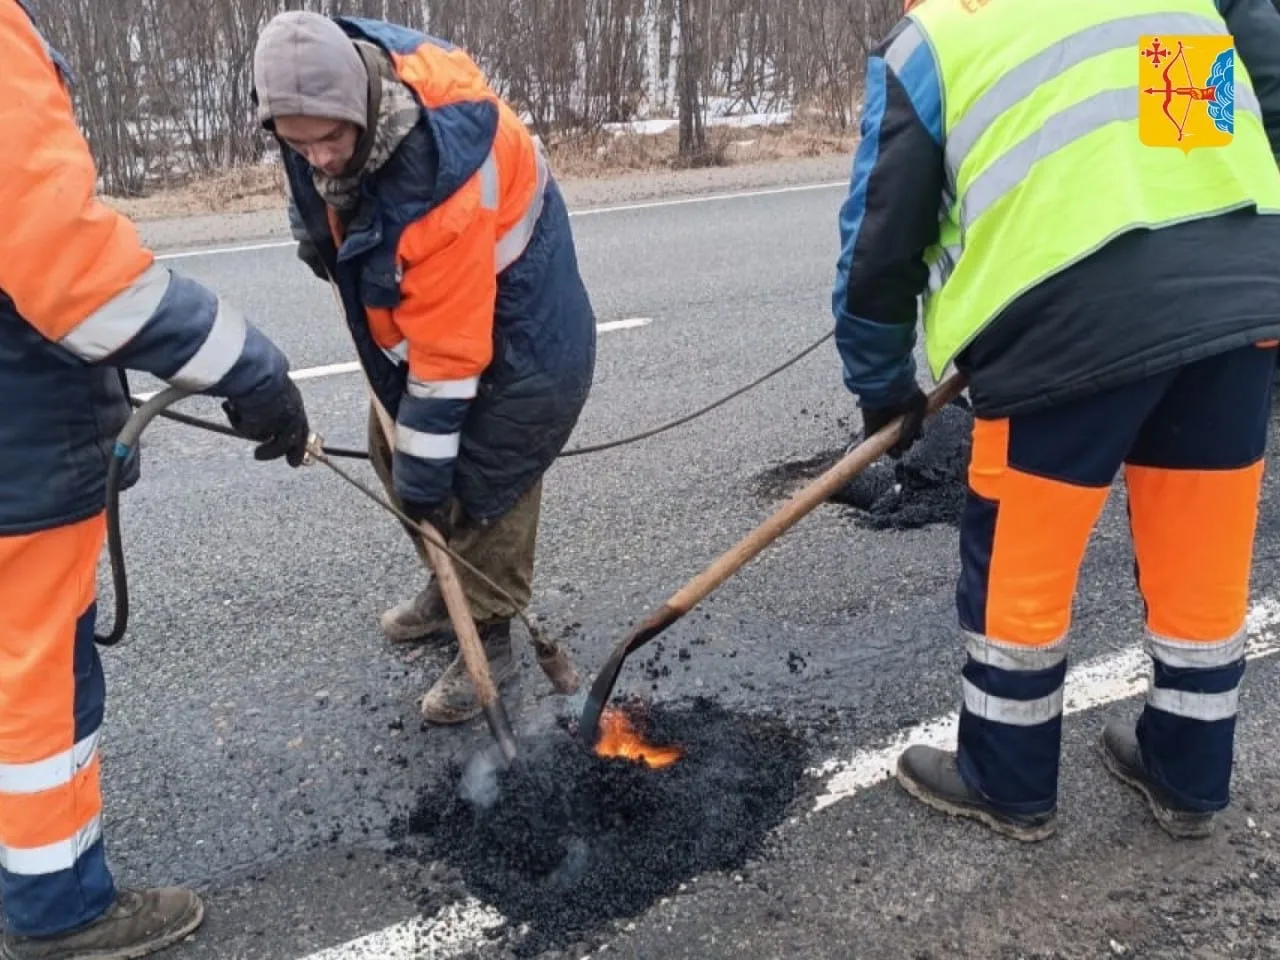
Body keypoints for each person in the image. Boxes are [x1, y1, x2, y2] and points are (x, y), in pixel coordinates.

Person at [832, 0, 1280, 843]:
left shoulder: (935, 42)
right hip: (1236, 301)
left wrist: (882, 386)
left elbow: (881, 242)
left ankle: (1006, 781)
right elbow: (1187, 139)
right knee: (1202, 558)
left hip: (1062, 326)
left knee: (1021, 567)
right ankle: (1187, 776)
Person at [0, 1, 312, 956]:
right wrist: (251, 369)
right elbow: (80, 280)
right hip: (17, 460)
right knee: (37, 691)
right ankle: (58, 909)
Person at [251, 11, 597, 725]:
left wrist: (429, 478)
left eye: (330, 140)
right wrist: (318, 231)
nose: (318, 158)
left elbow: (448, 355)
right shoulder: (324, 104)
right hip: (439, 307)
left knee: (481, 479)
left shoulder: (440, 177)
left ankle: (489, 640)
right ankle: (450, 588)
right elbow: (321, 188)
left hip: (524, 329)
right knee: (392, 447)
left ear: (360, 107)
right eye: (299, 144)